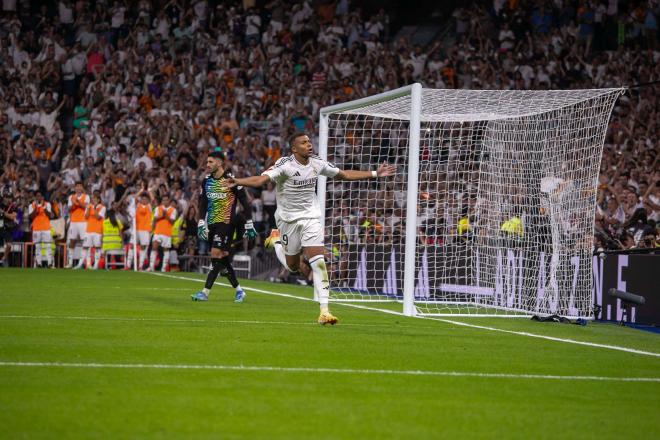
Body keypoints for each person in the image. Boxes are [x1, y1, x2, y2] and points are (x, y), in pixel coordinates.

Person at [224, 132, 395, 324]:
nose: (309, 145)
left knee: (318, 261)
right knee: (293, 266)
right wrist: (238, 181)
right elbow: (261, 180)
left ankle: (324, 311)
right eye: (304, 143)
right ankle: (276, 242)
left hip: (311, 217)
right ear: (294, 148)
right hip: (288, 221)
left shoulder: (316, 163)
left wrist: (374, 173)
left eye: (309, 142)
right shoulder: (284, 165)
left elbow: (344, 174)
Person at [191, 150, 256, 302]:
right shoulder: (206, 180)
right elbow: (203, 203)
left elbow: (246, 203)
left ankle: (205, 292)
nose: (207, 165)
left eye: (210, 162)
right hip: (212, 223)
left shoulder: (231, 180)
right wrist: (201, 221)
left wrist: (249, 223)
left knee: (215, 254)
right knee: (221, 259)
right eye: (207, 162)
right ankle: (239, 290)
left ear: (219, 163)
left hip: (227, 223)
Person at [149, 194, 177, 272]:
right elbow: (155, 219)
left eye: (166, 200)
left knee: (166, 250)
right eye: (163, 200)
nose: (165, 201)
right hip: (158, 231)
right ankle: (151, 267)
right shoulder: (158, 208)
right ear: (162, 201)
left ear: (169, 201)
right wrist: (162, 215)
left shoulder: (173, 210)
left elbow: (172, 222)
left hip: (167, 232)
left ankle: (163, 268)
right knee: (154, 247)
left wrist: (166, 215)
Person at [65, 182, 90, 268]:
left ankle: (86, 263)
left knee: (85, 242)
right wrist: (73, 204)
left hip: (83, 221)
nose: (78, 188)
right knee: (72, 241)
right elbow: (69, 209)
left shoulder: (86, 197)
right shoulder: (71, 197)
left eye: (80, 186)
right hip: (73, 221)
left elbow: (86, 207)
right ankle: (70, 263)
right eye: (77, 186)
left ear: (82, 188)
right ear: (75, 188)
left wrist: (78, 202)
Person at [126, 191, 152, 270]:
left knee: (143, 247)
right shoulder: (137, 206)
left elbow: (152, 198)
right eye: (142, 199)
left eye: (145, 199)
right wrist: (140, 191)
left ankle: (140, 265)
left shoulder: (149, 206)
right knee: (131, 245)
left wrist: (146, 191)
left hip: (145, 229)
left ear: (148, 200)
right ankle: (128, 265)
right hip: (136, 229)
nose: (144, 201)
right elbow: (134, 199)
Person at [80, 191, 105, 270]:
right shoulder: (89, 206)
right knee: (86, 247)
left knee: (97, 247)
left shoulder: (102, 207)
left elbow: (98, 217)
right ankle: (87, 264)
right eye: (92, 199)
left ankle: (96, 265)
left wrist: (93, 208)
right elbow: (86, 217)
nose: (92, 200)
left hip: (97, 231)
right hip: (89, 230)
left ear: (98, 200)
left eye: (94, 199)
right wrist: (87, 208)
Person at [28, 192, 54, 268]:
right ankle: (39, 263)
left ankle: (49, 263)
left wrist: (44, 207)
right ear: (35, 197)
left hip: (46, 228)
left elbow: (50, 216)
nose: (39, 197)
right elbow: (31, 217)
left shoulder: (47, 204)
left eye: (40, 196)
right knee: (38, 246)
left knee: (48, 246)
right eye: (37, 196)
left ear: (42, 197)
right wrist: (36, 208)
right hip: (36, 228)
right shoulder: (31, 205)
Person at [0, 194, 18, 267]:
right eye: (7, 197)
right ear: (4, 198)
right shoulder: (1, 205)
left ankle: (2, 259)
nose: (8, 199)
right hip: (0, 227)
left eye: (10, 197)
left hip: (7, 228)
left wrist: (3, 212)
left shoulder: (13, 207)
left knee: (9, 245)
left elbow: (12, 217)